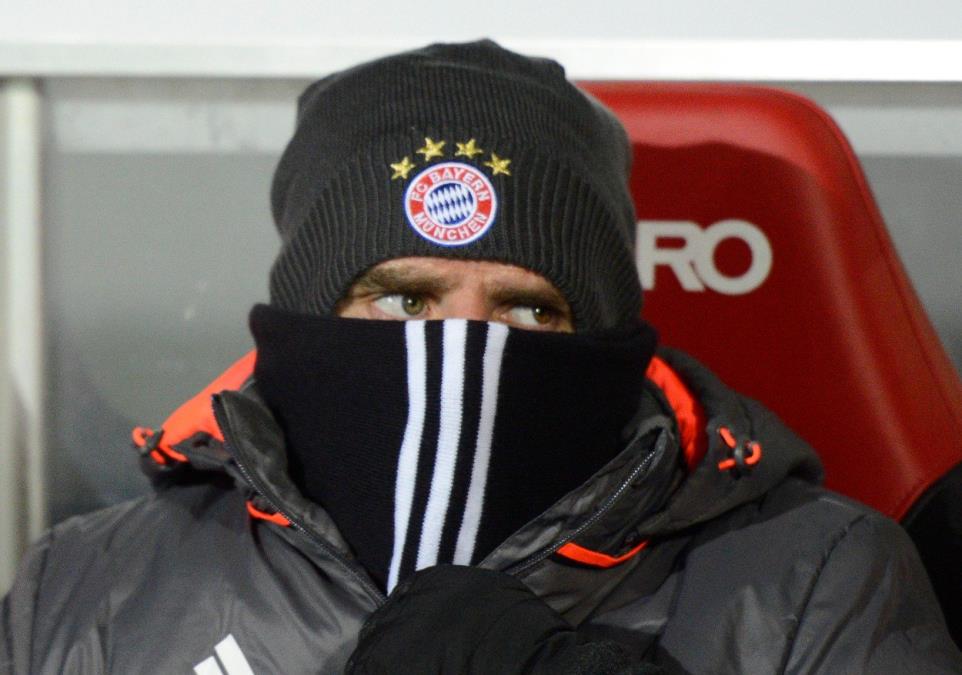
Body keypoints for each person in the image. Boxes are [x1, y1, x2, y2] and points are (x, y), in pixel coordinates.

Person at [2, 40, 960, 674]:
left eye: (529, 310)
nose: (463, 345)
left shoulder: (816, 581)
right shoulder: (95, 588)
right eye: (403, 299)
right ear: (309, 315)